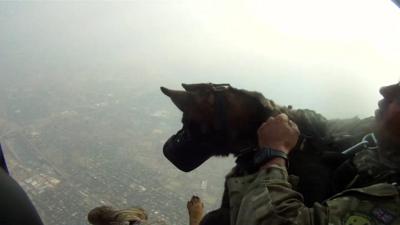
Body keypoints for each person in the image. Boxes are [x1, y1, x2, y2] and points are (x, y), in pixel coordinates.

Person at [227, 83, 400, 225]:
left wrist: (273, 153)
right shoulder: (375, 131)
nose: (384, 90)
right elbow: (323, 126)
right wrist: (268, 111)